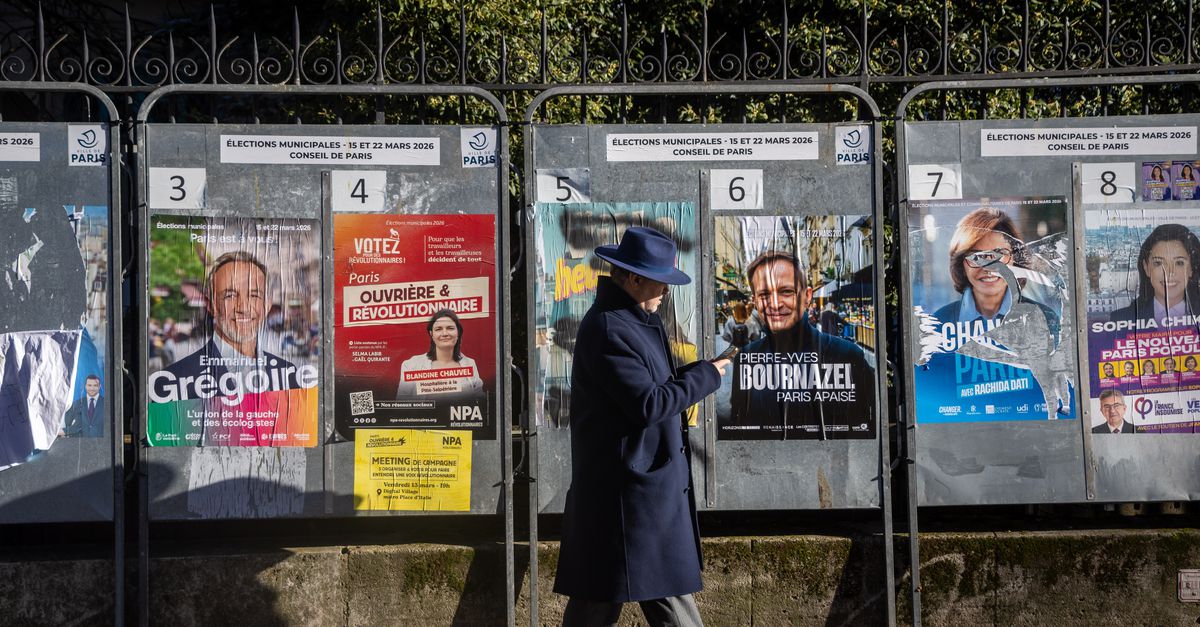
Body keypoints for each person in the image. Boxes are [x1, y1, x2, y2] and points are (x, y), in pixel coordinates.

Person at [555, 226, 729, 627]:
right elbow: (649, 404)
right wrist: (705, 376)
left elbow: (653, 386)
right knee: (620, 600)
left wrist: (698, 372)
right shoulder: (611, 327)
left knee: (603, 601)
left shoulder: (630, 321)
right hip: (627, 499)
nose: (667, 291)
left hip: (635, 495)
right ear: (633, 278)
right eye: (661, 281)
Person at [726, 250, 873, 435]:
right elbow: (739, 426)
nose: (775, 303)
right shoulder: (745, 359)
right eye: (764, 294)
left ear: (807, 296)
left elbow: (866, 428)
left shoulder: (847, 355)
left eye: (786, 291)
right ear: (754, 301)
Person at [152, 251, 302, 401]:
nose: (243, 308)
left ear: (267, 305)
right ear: (211, 305)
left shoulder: (288, 376)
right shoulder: (175, 381)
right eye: (230, 295)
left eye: (254, 295)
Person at [933, 208, 1058, 332]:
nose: (989, 267)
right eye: (976, 256)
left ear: (1015, 259)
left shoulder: (1045, 320)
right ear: (961, 264)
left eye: (1000, 253)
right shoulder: (937, 325)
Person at [1109, 224, 1200, 324]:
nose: (1169, 273)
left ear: (1192, 268)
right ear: (1146, 268)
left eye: (1179, 263)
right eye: (1158, 263)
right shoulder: (1120, 319)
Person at [395, 309, 483, 397]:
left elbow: (480, 402)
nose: (444, 333)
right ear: (431, 334)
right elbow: (402, 405)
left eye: (450, 328)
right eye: (438, 329)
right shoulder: (411, 365)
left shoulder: (470, 364)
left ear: (458, 332)